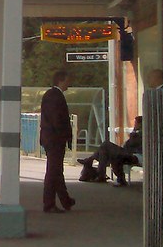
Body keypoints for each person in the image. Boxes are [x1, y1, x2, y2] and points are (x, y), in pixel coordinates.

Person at [39, 70, 76, 213]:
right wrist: (64, 135)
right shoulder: (55, 96)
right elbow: (57, 119)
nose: (69, 83)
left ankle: (65, 200)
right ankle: (49, 203)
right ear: (61, 80)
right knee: (53, 171)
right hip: (54, 139)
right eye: (67, 80)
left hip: (52, 138)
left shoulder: (52, 95)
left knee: (57, 171)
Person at [77, 116, 142, 186]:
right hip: (128, 153)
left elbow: (131, 144)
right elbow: (127, 145)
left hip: (135, 156)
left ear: (141, 124)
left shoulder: (141, 134)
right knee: (104, 151)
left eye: (136, 123)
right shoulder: (136, 134)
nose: (135, 125)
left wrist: (134, 132)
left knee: (106, 145)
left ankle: (92, 163)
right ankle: (99, 172)